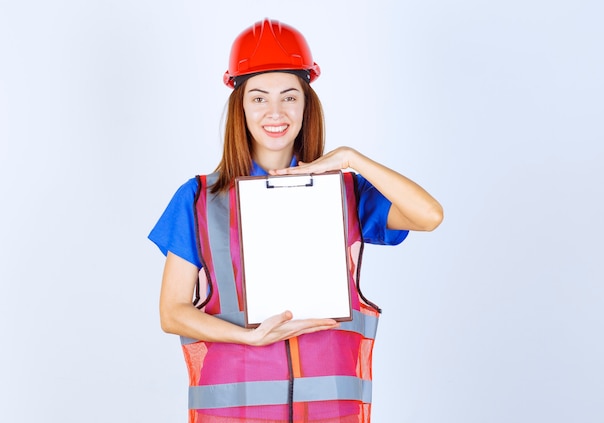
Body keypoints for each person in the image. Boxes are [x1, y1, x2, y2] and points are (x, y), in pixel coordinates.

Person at [149, 18, 443, 423]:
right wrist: (247, 337)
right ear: (240, 107)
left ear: (307, 104)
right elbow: (172, 312)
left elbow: (429, 216)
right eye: (259, 98)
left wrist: (349, 158)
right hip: (234, 412)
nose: (275, 111)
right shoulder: (200, 198)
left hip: (329, 411)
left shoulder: (346, 192)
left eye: (289, 97)